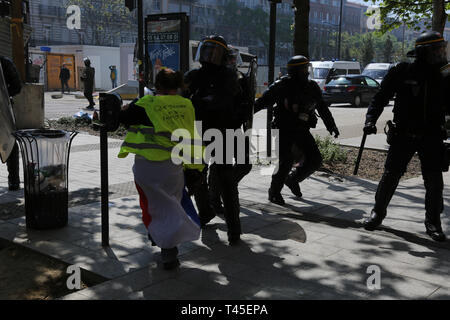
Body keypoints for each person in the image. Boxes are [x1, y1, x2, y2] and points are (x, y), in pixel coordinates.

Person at [362, 31, 449, 242]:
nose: (442, 52)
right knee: (391, 175)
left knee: (434, 181)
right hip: (403, 133)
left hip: (432, 135)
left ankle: (433, 223)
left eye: (442, 47)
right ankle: (377, 213)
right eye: (437, 48)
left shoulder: (445, 74)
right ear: (424, 51)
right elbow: (380, 98)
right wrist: (370, 120)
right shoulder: (402, 71)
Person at [118, 68, 204, 269]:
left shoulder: (146, 103)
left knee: (153, 207)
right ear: (179, 86)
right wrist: (196, 166)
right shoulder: (186, 105)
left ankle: (162, 243)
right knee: (171, 205)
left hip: (146, 169)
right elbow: (192, 134)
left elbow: (123, 118)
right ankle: (168, 250)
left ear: (157, 86)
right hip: (173, 168)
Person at [254, 55, 340, 205]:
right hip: (284, 129)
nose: (307, 72)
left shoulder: (312, 87)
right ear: (296, 70)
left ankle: (293, 179)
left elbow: (322, 107)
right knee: (286, 161)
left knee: (315, 160)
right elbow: (261, 102)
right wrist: (242, 115)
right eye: (304, 69)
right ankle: (274, 192)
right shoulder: (281, 86)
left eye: (307, 68)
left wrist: (331, 125)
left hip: (302, 130)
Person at [184, 35, 243, 245]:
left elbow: (241, 106)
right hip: (198, 132)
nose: (209, 56)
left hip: (221, 132)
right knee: (193, 175)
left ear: (224, 56)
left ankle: (234, 229)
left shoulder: (230, 77)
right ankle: (206, 211)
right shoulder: (193, 75)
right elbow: (180, 99)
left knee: (226, 181)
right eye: (207, 51)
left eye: (215, 52)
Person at [208, 46, 253, 216]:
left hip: (234, 127)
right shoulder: (212, 77)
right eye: (230, 58)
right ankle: (214, 198)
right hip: (218, 128)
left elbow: (246, 102)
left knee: (245, 164)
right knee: (219, 164)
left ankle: (224, 188)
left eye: (234, 59)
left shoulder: (239, 78)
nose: (233, 62)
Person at [0, 55, 22, 191]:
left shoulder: (5, 63)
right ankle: (14, 181)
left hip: (4, 109)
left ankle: (14, 181)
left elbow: (17, 86)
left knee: (11, 143)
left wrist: (4, 94)